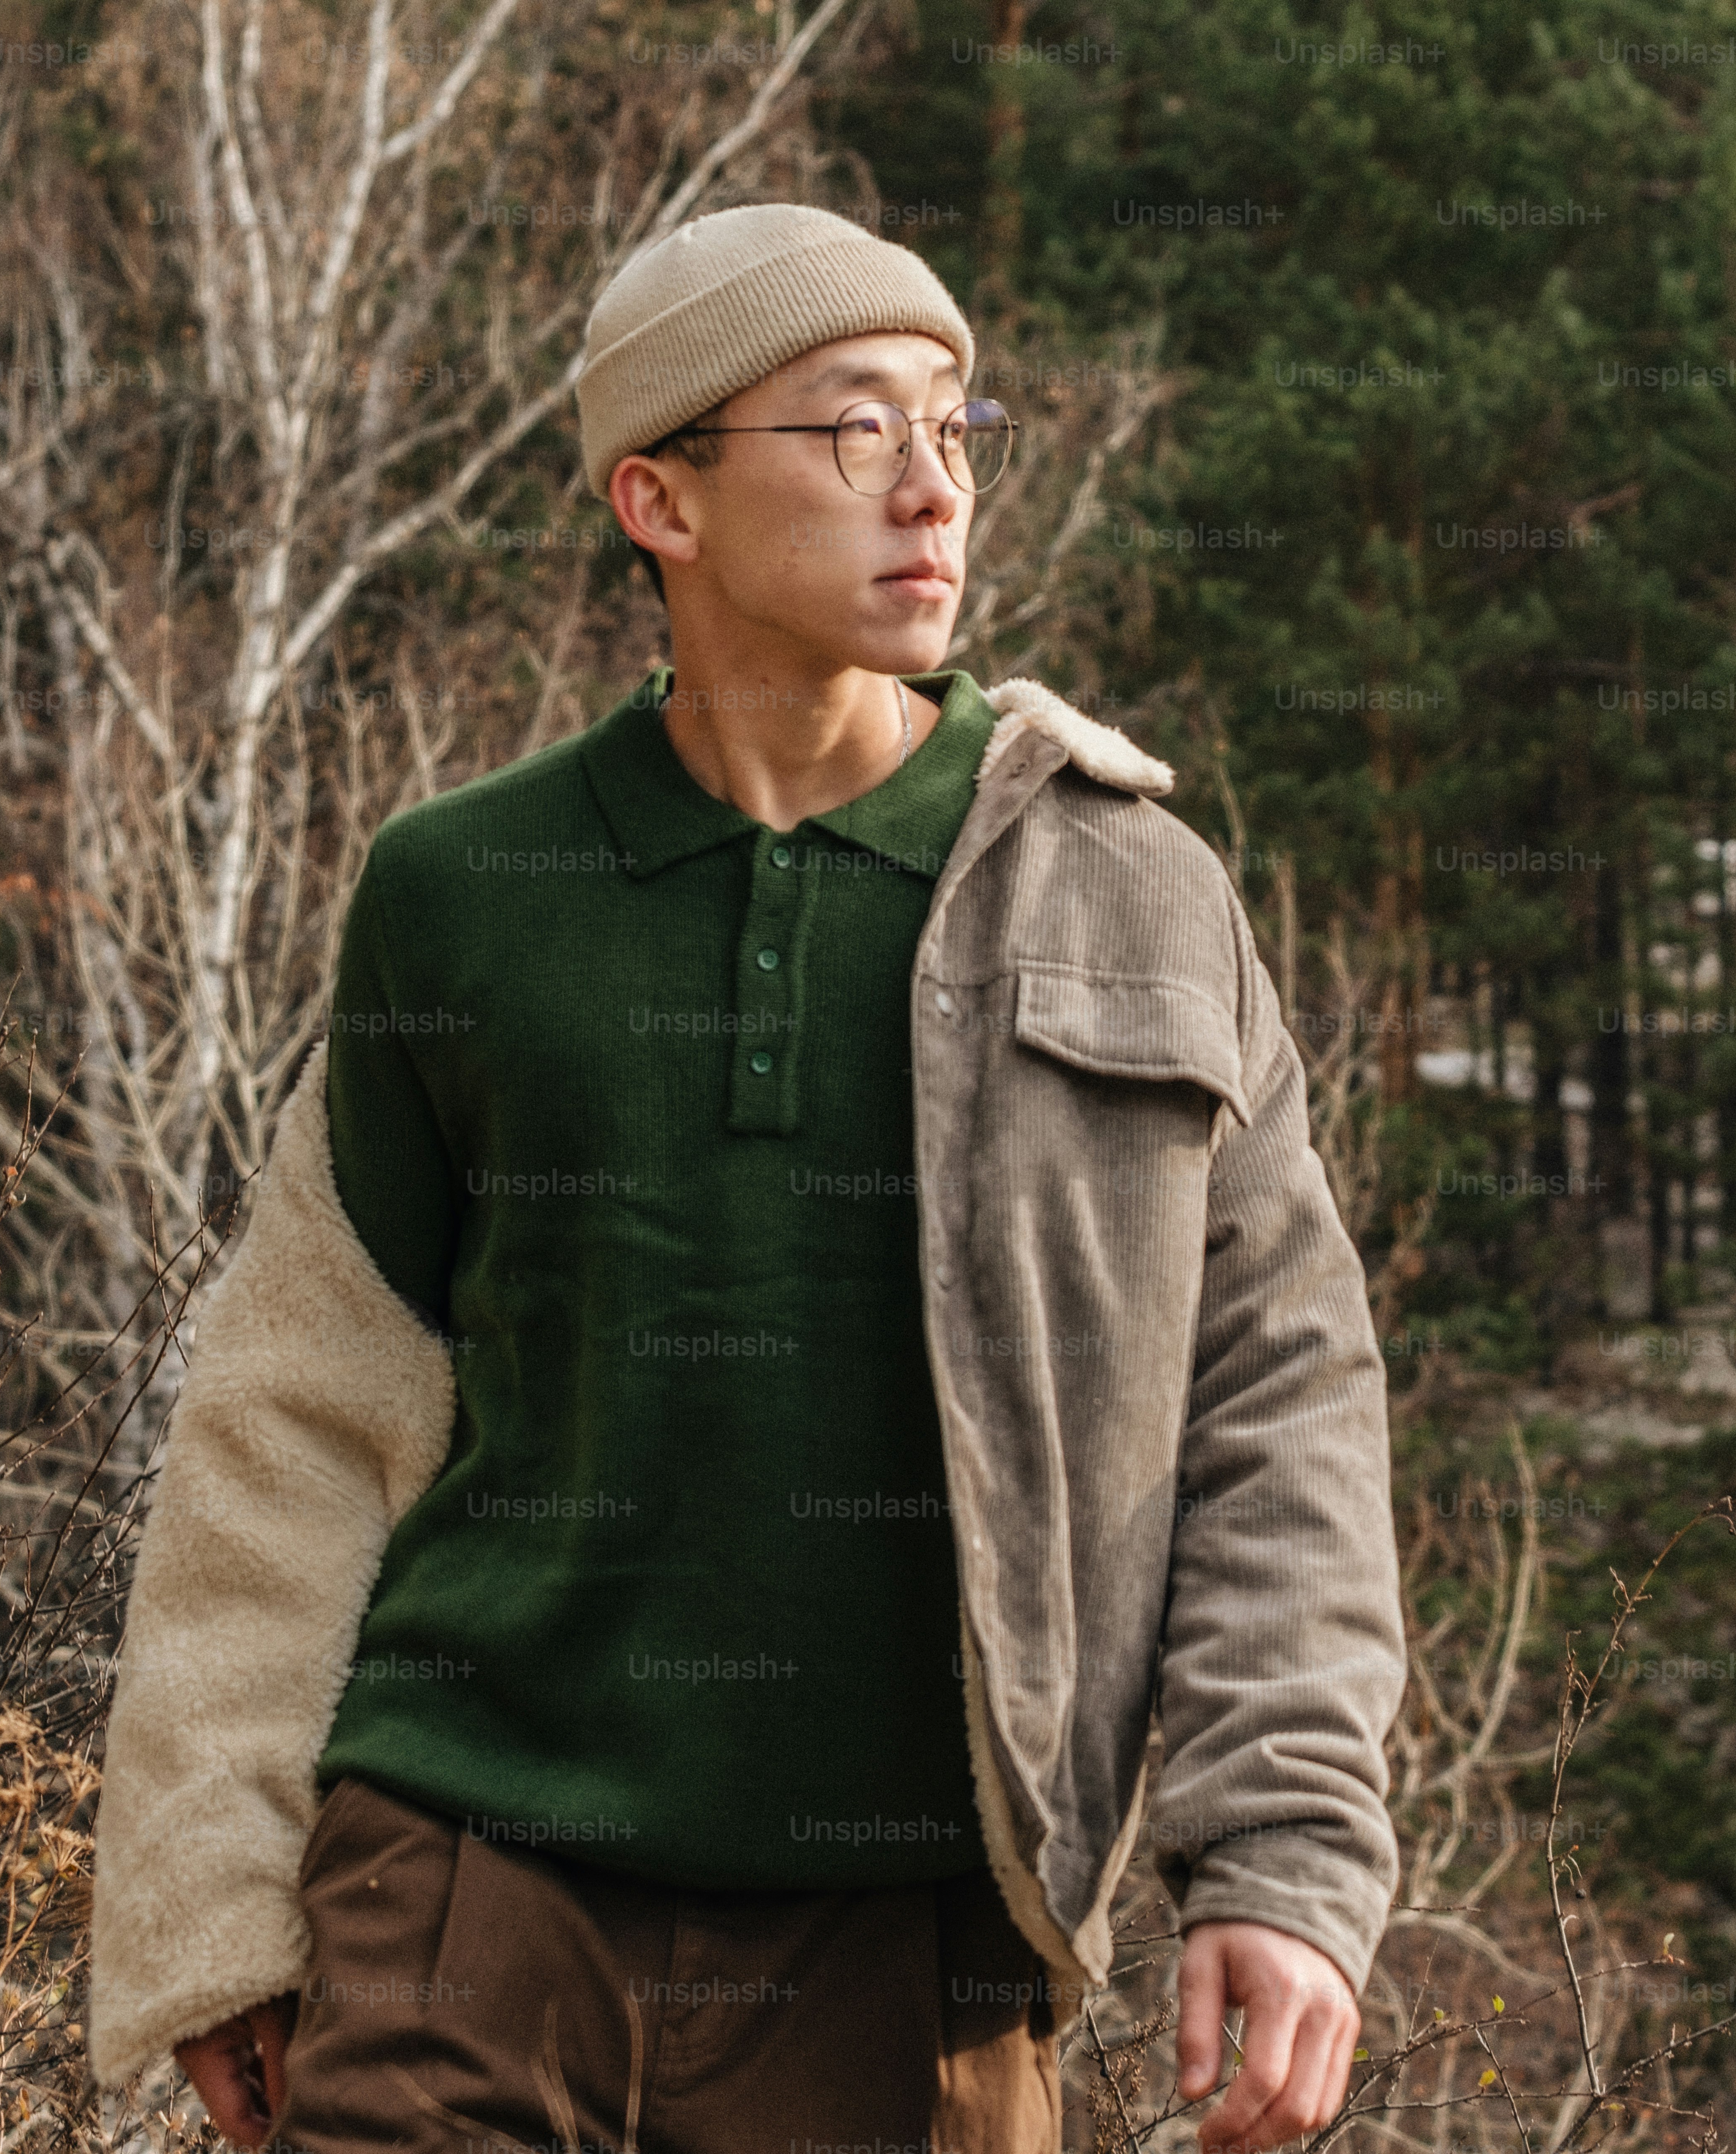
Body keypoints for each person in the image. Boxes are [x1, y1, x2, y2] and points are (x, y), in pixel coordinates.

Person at [85, 201, 1405, 2154]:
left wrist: (1286, 1860)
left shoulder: (1127, 895)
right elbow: (290, 1416)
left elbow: (1279, 1408)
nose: (930, 490)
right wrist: (212, 1911)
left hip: (915, 1966)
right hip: (462, 1906)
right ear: (663, 501)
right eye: (854, 430)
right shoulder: (463, 895)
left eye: (958, 434)